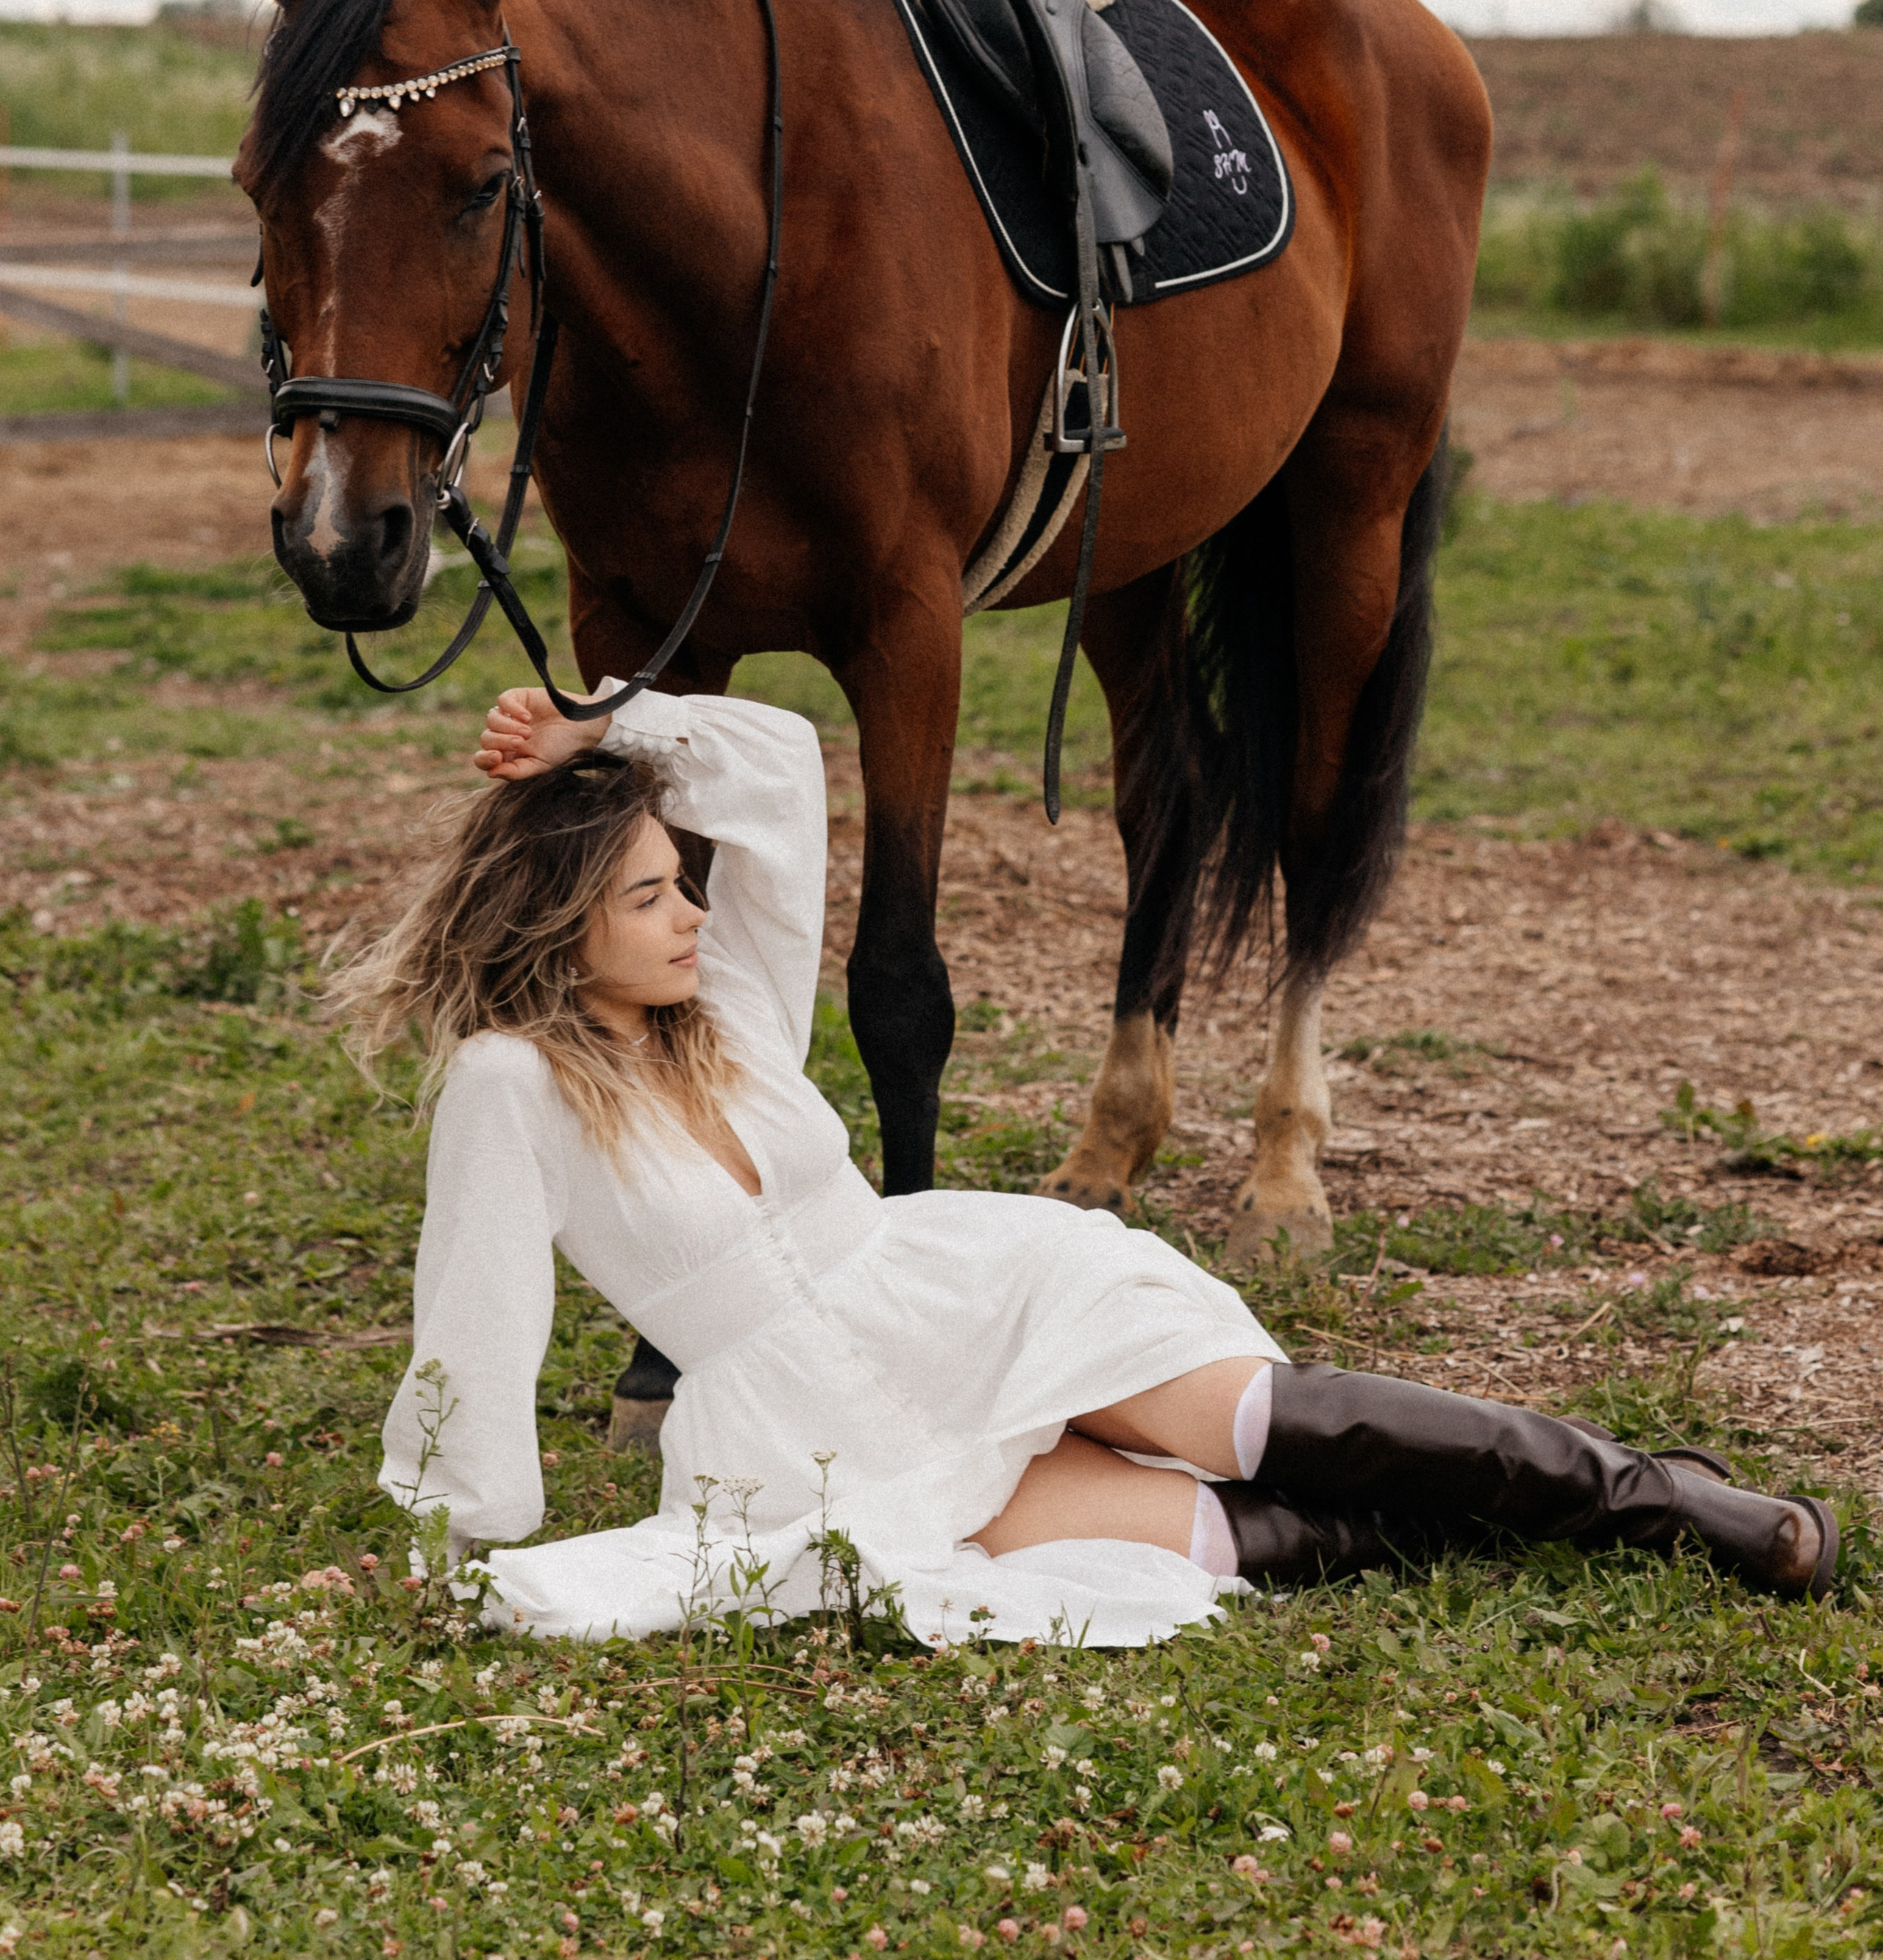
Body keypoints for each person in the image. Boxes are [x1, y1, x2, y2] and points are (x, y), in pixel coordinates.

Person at [339, 684, 1837, 1647]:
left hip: (954, 1292)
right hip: (803, 1430)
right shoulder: (509, 1084)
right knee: (1216, 1545)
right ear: (562, 921)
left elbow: (778, 761)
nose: (688, 917)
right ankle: (1558, 1530)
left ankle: (1657, 1505)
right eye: (652, 897)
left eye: (683, 887)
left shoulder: (718, 1004)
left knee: (1260, 1418)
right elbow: (473, 1316)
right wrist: (463, 1535)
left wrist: (600, 734)